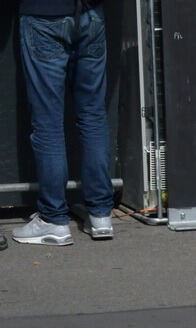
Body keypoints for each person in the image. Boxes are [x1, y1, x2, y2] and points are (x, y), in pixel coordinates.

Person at [12, 0, 114, 247]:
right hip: (91, 13)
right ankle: (101, 215)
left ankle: (53, 219)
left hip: (44, 14)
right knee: (93, 115)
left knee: (48, 123)